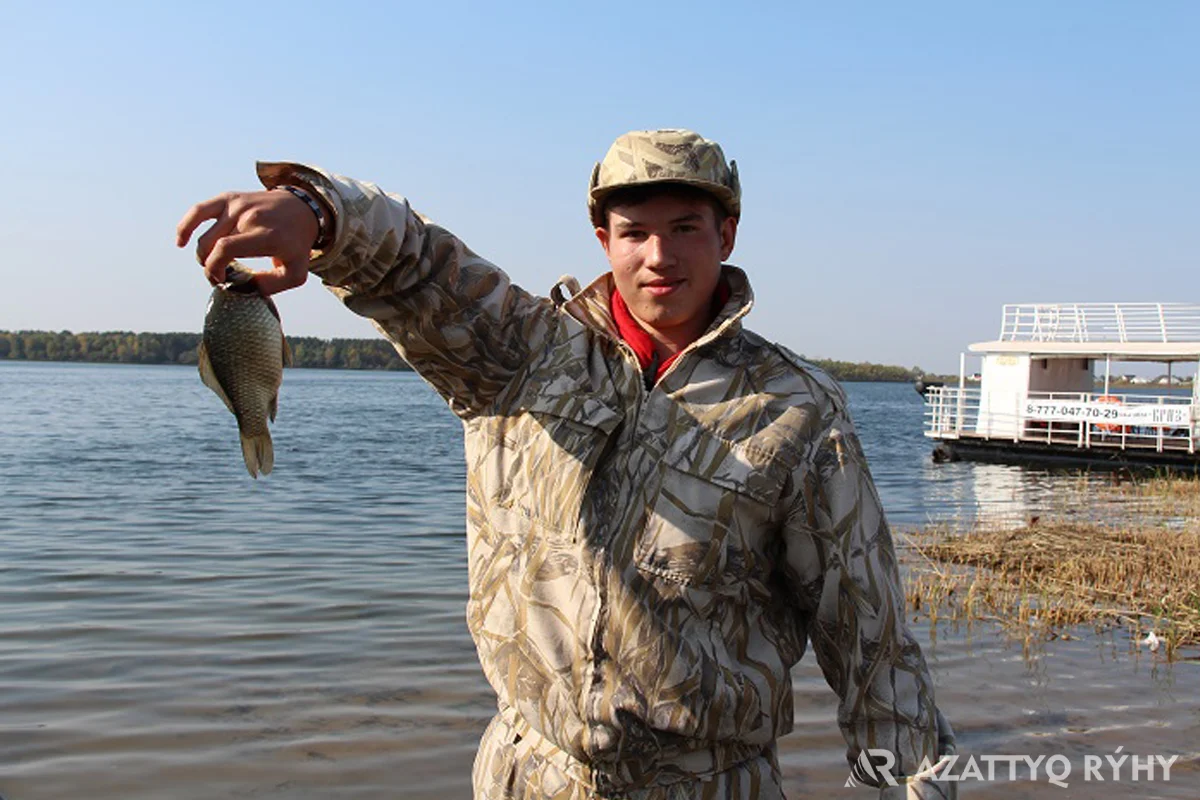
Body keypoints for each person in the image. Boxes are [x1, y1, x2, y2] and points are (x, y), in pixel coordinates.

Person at [177, 129, 956, 799]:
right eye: (634, 231)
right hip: (528, 776)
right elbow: (412, 263)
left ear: (728, 233)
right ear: (602, 240)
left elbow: (870, 639)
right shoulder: (520, 355)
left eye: (686, 228)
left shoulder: (797, 409)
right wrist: (318, 212)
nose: (660, 256)